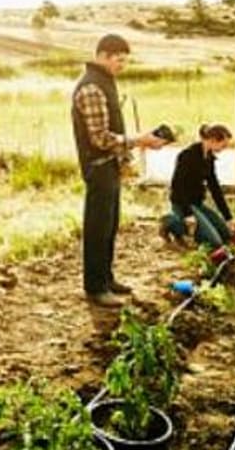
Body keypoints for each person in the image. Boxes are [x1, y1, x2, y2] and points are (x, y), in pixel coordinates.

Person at [72, 34, 169, 307]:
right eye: (119, 59)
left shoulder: (105, 82)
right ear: (102, 55)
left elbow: (112, 133)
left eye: (126, 60)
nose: (123, 65)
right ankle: (95, 288)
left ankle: (106, 279)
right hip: (98, 166)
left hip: (109, 166)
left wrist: (129, 154)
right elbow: (100, 138)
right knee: (97, 228)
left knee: (109, 226)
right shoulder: (92, 88)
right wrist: (141, 140)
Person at [160, 123, 235, 249]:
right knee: (214, 242)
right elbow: (177, 186)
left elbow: (215, 188)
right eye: (223, 145)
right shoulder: (187, 156)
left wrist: (228, 218)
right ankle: (170, 223)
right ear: (213, 140)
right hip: (182, 203)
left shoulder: (209, 158)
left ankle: (191, 222)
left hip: (197, 203)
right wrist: (187, 214)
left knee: (226, 235)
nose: (225, 148)